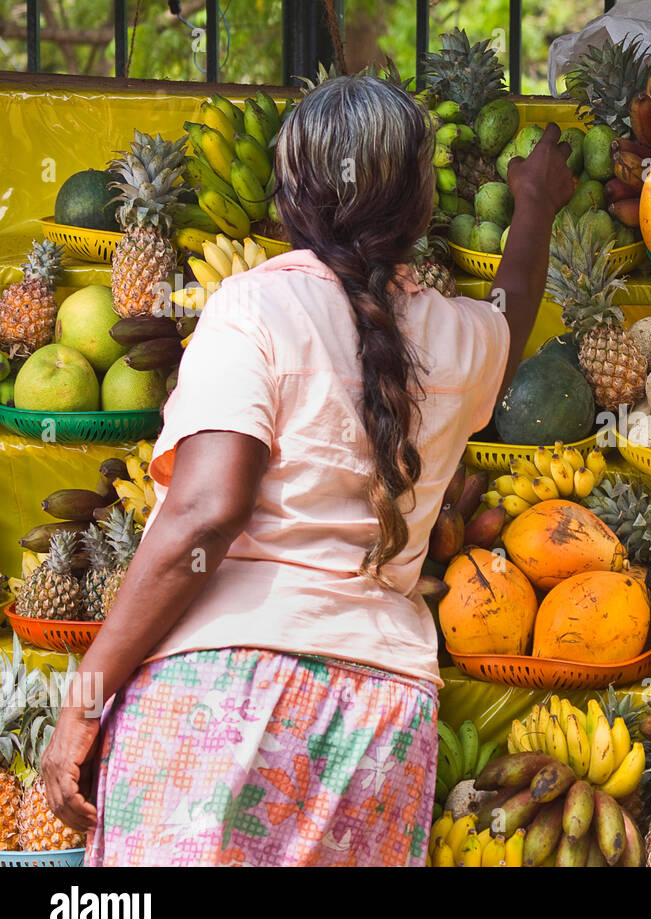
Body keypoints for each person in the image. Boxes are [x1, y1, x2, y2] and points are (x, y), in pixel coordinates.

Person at [42, 74, 576, 866]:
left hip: (225, 692)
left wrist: (87, 694)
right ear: (420, 208)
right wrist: (533, 210)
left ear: (290, 196)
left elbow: (204, 514)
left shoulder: (250, 309)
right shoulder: (464, 342)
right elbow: (511, 311)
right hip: (380, 714)